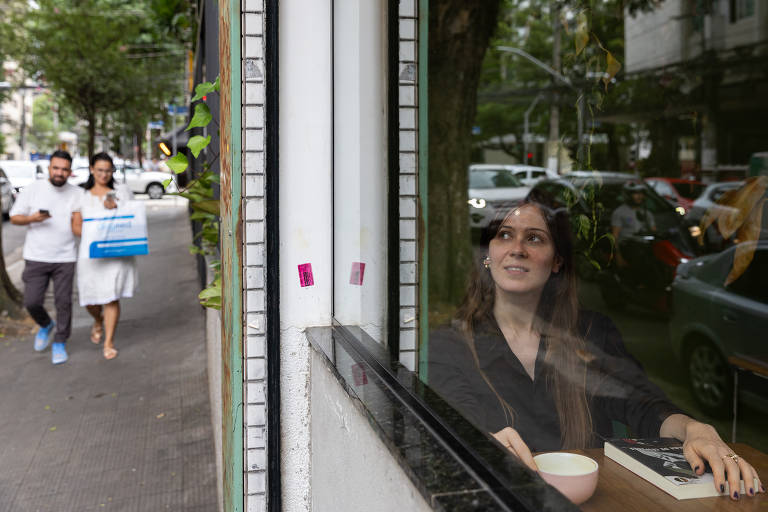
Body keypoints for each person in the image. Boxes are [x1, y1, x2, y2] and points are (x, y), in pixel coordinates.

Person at [428, 192, 763, 500]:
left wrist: (695, 428)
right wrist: (477, 443)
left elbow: (641, 403)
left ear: (557, 260)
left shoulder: (591, 333)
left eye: (534, 238)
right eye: (504, 235)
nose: (517, 248)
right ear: (488, 254)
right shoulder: (450, 344)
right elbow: (450, 425)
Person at [9, 150, 82, 364]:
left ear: (70, 171)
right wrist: (33, 218)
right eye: (56, 168)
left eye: (64, 169)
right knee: (31, 301)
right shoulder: (33, 190)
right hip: (36, 256)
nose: (59, 173)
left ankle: (60, 341)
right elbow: (14, 217)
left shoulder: (76, 193)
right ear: (49, 168)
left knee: (64, 303)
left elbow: (79, 225)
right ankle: (46, 324)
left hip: (65, 257)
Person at [71, 152, 138, 360]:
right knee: (91, 299)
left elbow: (133, 218)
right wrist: (96, 237)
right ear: (92, 169)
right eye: (100, 170)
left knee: (111, 296)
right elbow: (76, 226)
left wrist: (117, 208)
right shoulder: (81, 195)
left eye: (108, 170)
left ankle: (109, 341)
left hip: (116, 255)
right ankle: (97, 319)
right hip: (91, 255)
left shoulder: (121, 192)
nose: (104, 174)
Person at [611, 182, 656, 267]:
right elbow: (614, 236)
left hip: (645, 246)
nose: (639, 196)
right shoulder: (619, 212)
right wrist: (618, 256)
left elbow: (654, 231)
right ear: (628, 195)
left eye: (641, 193)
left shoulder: (647, 213)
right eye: (636, 193)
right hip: (628, 246)